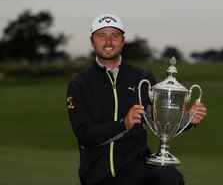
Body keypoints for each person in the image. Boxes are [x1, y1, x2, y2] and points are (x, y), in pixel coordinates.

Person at [66, 14, 207, 185]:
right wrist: (123, 124)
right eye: (102, 35)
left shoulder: (142, 77)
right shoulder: (80, 83)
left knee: (170, 177)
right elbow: (85, 135)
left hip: (138, 168)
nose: (109, 42)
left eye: (115, 36)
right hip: (99, 175)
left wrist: (187, 119)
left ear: (123, 41)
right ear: (92, 41)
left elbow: (158, 121)